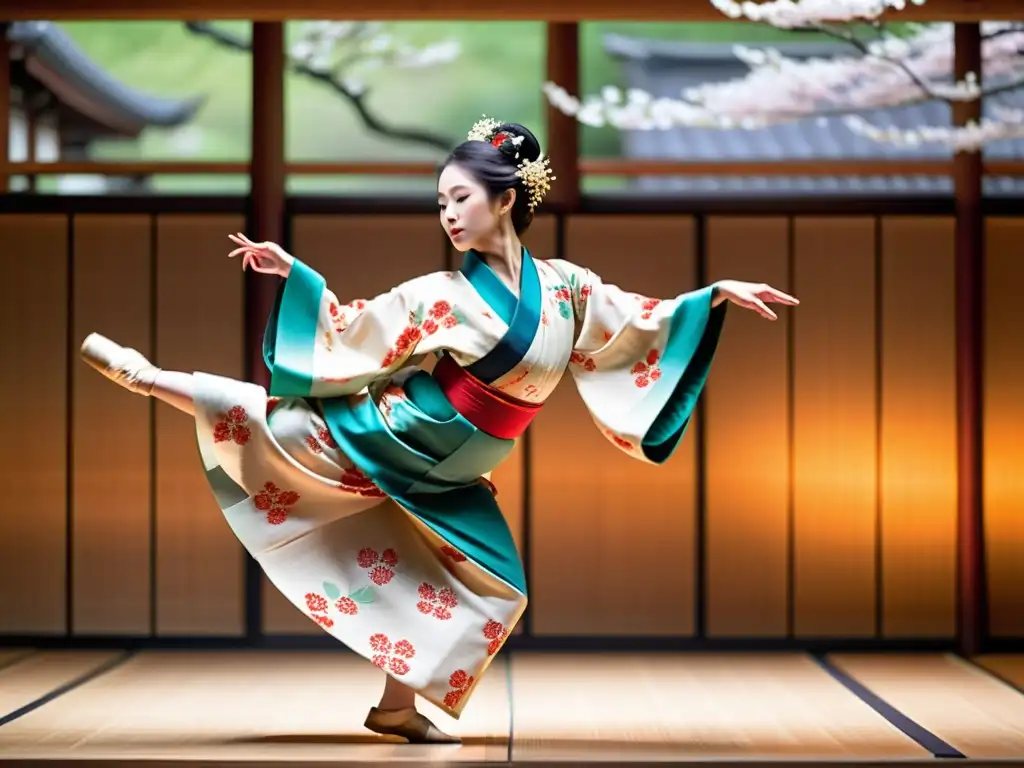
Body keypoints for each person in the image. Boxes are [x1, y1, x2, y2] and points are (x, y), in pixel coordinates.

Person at [80, 117, 798, 744]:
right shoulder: (443, 293)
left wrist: (713, 296)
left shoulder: (570, 288)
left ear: (506, 200)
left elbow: (635, 321)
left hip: (457, 469)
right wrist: (297, 273)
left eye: (460, 198)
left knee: (496, 590)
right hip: (400, 433)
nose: (449, 215)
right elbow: (354, 327)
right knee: (278, 429)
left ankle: (396, 708)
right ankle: (150, 377)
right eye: (441, 203)